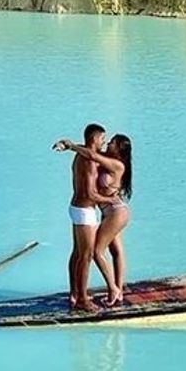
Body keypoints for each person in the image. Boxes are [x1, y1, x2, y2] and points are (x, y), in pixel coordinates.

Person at [54, 133, 133, 307]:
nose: (108, 144)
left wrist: (70, 146)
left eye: (112, 143)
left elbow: (91, 154)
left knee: (97, 251)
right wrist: (74, 145)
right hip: (108, 212)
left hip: (117, 211)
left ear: (119, 149)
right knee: (115, 251)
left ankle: (114, 289)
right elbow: (91, 149)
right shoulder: (106, 157)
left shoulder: (117, 164)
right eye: (106, 140)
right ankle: (117, 291)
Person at [53, 123, 113, 313]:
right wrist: (109, 199)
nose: (104, 142)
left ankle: (74, 293)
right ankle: (82, 299)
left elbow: (88, 151)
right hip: (85, 210)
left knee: (77, 253)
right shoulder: (88, 162)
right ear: (95, 139)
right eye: (102, 139)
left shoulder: (81, 154)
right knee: (86, 256)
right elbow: (90, 193)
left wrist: (70, 145)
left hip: (77, 208)